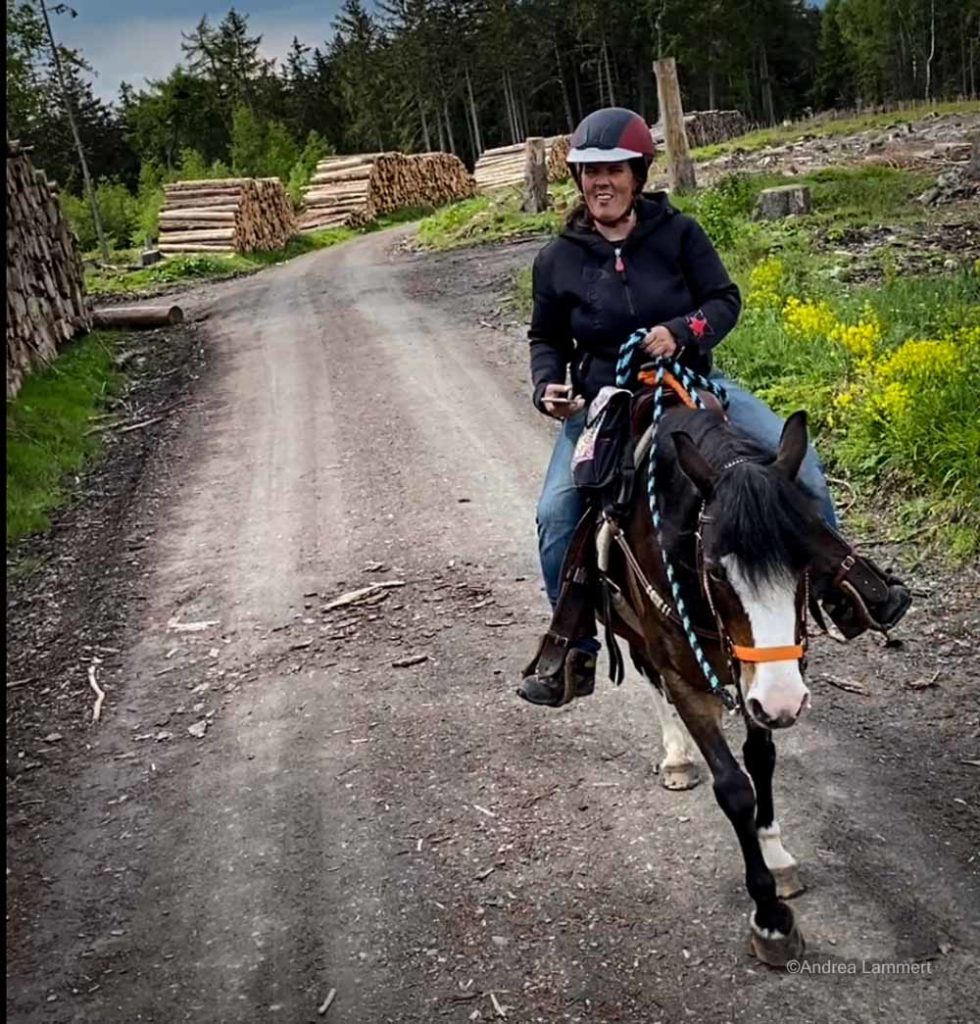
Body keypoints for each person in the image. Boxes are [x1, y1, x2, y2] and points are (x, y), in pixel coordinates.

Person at [517, 106, 911, 707]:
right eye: (589, 171)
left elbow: (724, 301)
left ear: (637, 174)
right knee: (555, 516)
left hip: (693, 385)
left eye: (613, 170)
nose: (600, 181)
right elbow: (546, 338)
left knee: (795, 462)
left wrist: (682, 330)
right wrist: (549, 385)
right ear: (577, 180)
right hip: (607, 403)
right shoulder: (558, 258)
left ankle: (843, 586)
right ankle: (572, 648)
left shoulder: (679, 235)